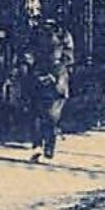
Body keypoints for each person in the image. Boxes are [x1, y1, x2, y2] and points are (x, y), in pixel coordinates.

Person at [27, 18, 75, 162]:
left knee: (51, 115)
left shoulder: (63, 35)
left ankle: (47, 146)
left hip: (57, 78)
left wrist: (55, 74)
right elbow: (28, 53)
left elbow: (68, 58)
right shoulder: (36, 33)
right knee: (38, 114)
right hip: (40, 75)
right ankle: (38, 146)